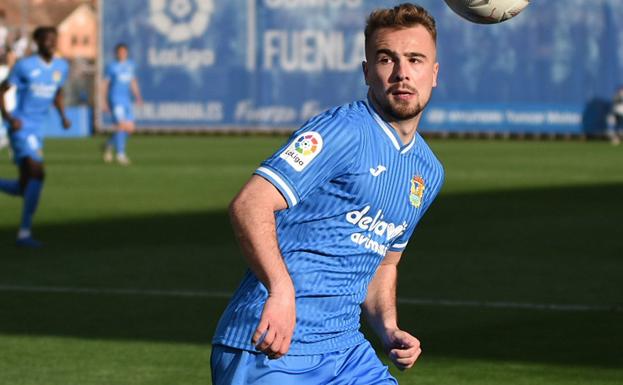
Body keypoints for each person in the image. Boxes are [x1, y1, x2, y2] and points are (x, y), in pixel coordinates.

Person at [211, 3, 445, 384]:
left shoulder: (428, 172)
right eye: (387, 59)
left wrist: (388, 328)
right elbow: (250, 203)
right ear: (367, 71)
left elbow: (384, 262)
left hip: (345, 353)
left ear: (434, 74)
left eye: (415, 60)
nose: (402, 73)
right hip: (270, 346)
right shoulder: (341, 131)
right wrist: (281, 289)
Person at [0, 26, 70, 247]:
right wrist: (9, 118)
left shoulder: (61, 66)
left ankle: (25, 232)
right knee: (37, 173)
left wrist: (63, 116)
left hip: (38, 128)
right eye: (46, 39)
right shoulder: (25, 66)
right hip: (21, 127)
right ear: (37, 42)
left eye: (54, 39)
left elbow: (58, 92)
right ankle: (24, 234)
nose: (51, 43)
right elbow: (2, 89)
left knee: (24, 185)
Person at [102, 43, 142, 166]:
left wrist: (138, 96)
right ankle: (120, 155)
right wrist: (104, 101)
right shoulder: (112, 67)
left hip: (126, 100)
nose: (122, 54)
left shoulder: (131, 66)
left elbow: (133, 82)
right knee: (121, 125)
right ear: (116, 53)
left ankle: (108, 145)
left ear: (127, 53)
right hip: (115, 99)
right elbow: (105, 84)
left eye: (124, 52)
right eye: (120, 52)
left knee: (130, 129)